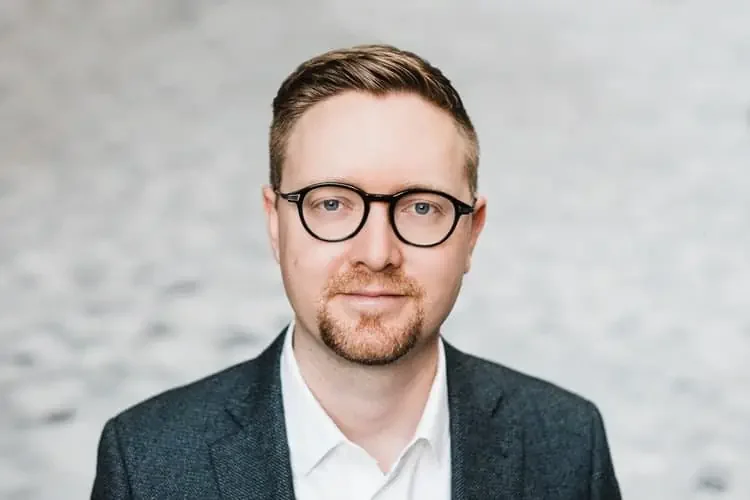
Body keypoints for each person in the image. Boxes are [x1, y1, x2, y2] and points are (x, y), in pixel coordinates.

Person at [91, 44, 621, 499]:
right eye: (331, 204)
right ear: (275, 223)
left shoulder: (568, 446)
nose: (376, 252)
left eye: (421, 207)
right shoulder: (147, 463)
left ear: (472, 232)